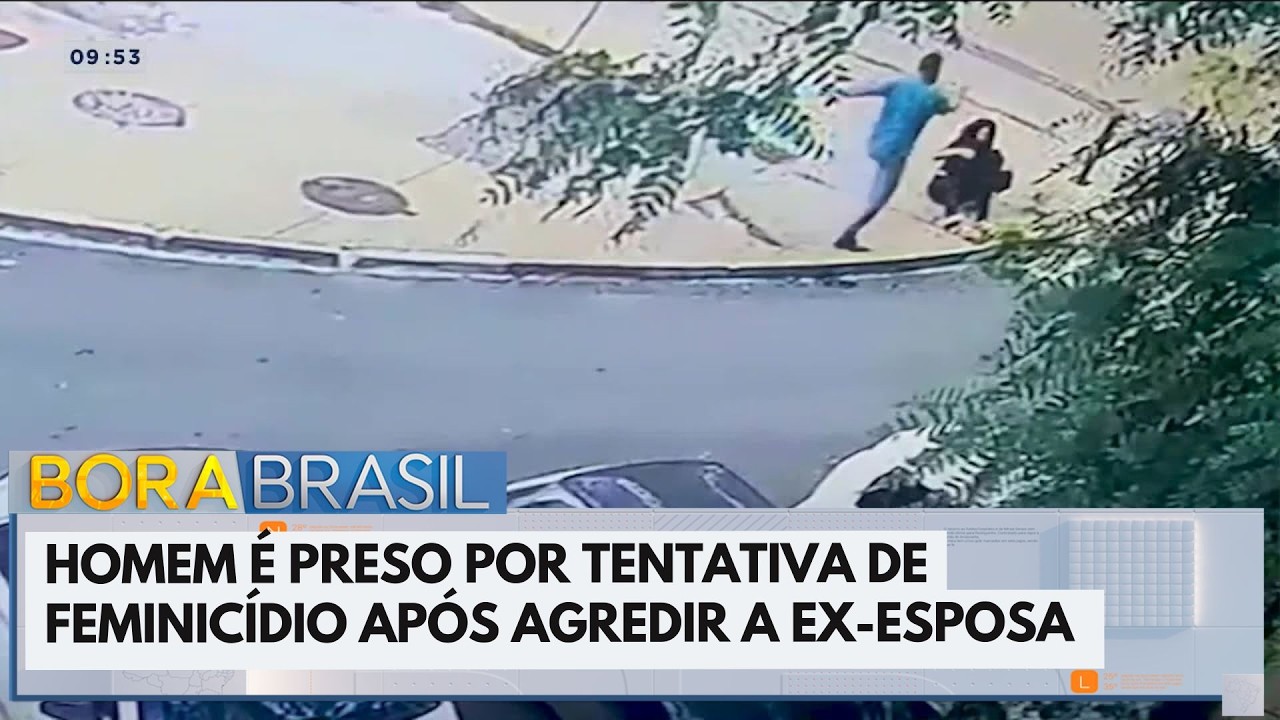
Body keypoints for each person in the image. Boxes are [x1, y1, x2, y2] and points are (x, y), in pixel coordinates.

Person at [833, 51, 958, 251]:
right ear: (936, 72)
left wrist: (837, 88)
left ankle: (848, 224)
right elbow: (949, 108)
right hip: (898, 149)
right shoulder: (933, 96)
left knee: (873, 184)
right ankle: (850, 233)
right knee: (881, 196)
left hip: (877, 141)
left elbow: (862, 90)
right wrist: (957, 94)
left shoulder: (899, 84)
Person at [926, 118, 1012, 224]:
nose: (983, 137)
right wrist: (960, 151)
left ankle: (980, 220)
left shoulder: (987, 154)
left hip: (967, 187)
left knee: (986, 184)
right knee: (952, 181)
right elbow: (937, 155)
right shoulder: (963, 143)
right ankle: (951, 215)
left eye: (987, 135)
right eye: (981, 133)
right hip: (943, 184)